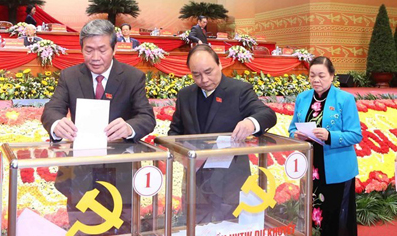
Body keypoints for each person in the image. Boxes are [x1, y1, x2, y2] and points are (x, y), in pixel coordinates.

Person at [41, 19, 155, 235]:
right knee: (83, 228)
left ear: (114, 48)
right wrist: (57, 123)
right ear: (81, 49)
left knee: (124, 228)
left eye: (102, 50)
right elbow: (51, 110)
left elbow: (146, 117)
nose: (95, 58)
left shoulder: (132, 77)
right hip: (81, 172)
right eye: (89, 50)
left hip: (121, 170)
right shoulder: (70, 76)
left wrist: (129, 127)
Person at [169, 44, 277, 223]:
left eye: (208, 71)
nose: (204, 79)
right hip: (196, 182)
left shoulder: (239, 91)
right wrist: (180, 152)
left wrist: (251, 122)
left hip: (229, 182)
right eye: (196, 74)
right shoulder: (185, 95)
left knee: (228, 227)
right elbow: (175, 132)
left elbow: (268, 115)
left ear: (220, 65)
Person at [288, 56, 362, 236]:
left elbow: (355, 134)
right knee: (313, 212)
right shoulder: (303, 98)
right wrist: (295, 135)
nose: (316, 80)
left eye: (321, 75)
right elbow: (291, 128)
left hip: (337, 167)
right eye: (312, 75)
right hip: (312, 166)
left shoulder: (344, 99)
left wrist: (330, 136)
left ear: (332, 76)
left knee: (336, 216)